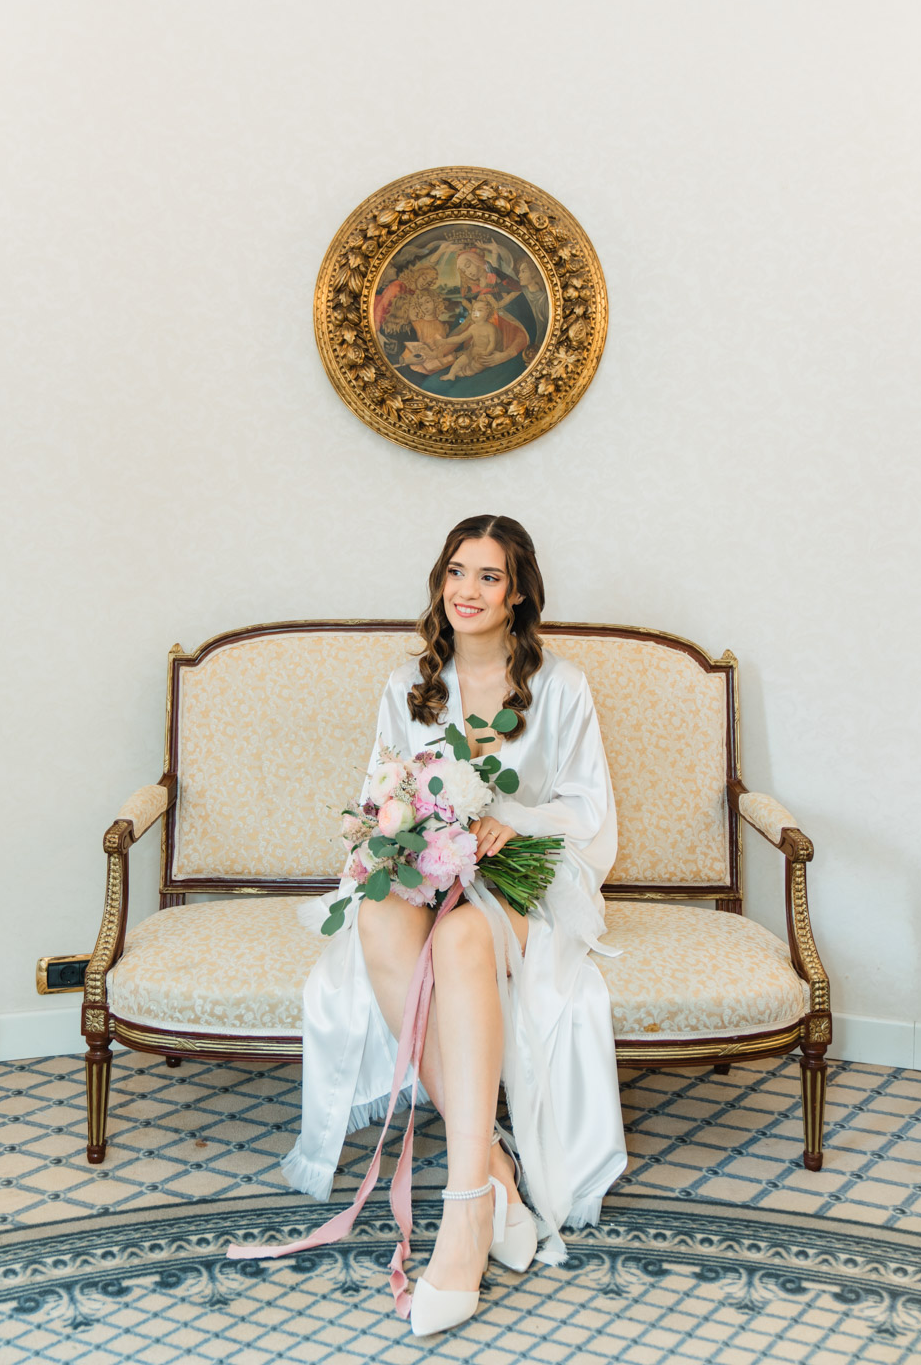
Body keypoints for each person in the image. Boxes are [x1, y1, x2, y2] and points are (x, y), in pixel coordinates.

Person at [281, 515, 627, 1335]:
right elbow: (382, 786)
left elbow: (587, 806)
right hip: (432, 856)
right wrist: (407, 827)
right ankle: (494, 1169)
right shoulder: (409, 682)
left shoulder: (560, 685)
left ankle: (464, 1208)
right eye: (456, 572)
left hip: (526, 867)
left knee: (462, 938)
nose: (467, 591)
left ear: (518, 594)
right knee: (377, 917)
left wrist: (514, 819)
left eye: (489, 576)